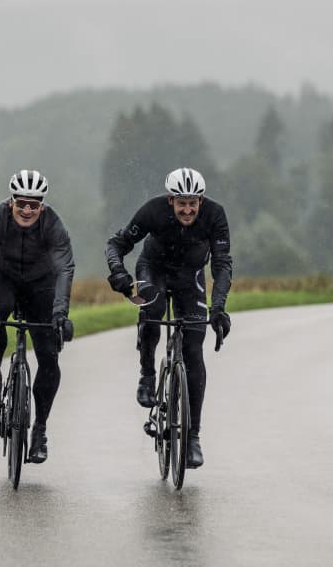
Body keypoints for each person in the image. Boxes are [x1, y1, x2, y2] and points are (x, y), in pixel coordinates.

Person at [105, 167, 232, 468]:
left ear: (201, 201)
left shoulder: (215, 215)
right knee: (154, 308)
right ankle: (147, 376)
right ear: (170, 200)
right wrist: (120, 275)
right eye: (181, 203)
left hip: (191, 278)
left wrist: (219, 307)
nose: (187, 210)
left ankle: (193, 437)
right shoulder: (152, 211)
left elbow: (223, 265)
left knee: (193, 352)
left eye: (193, 203)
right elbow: (116, 244)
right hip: (155, 270)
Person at [0, 169, 75, 464]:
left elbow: (63, 270)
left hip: (40, 284)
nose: (27, 210)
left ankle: (40, 430)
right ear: (11, 203)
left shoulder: (53, 224)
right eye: (22, 203)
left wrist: (60, 313)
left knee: (48, 354)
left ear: (42, 206)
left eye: (34, 204)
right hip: (4, 279)